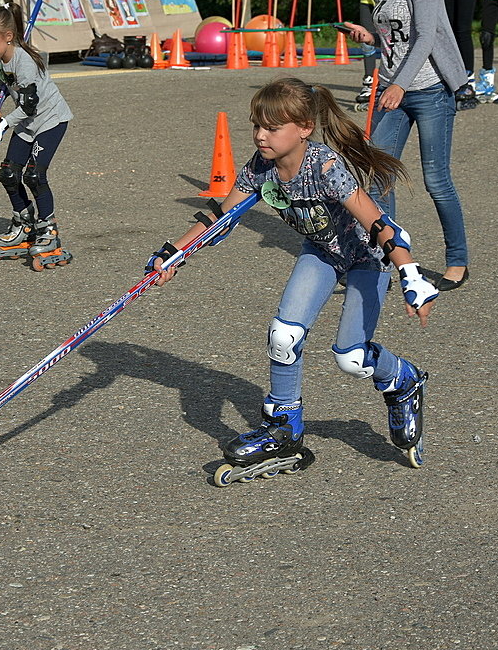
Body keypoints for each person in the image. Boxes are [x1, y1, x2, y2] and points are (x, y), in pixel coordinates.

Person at [148, 77, 439, 480]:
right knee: (283, 335)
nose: (260, 136)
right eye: (256, 125)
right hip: (321, 254)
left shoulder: (325, 166)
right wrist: (172, 256)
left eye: (271, 127)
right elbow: (221, 217)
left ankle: (402, 381)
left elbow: (376, 223)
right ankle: (284, 428)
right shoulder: (260, 167)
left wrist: (410, 274)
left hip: (364, 259)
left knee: (351, 358)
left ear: (303, 129)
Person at [342, 0, 471, 292]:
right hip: (395, 90)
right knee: (379, 173)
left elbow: (425, 38)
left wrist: (399, 84)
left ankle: (457, 260)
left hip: (429, 90)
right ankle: (392, 254)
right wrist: (368, 39)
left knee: (436, 179)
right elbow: (392, 40)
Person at [0, 3, 74, 270]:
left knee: (34, 175)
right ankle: (23, 222)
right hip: (27, 124)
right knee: (8, 173)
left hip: (49, 121)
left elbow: (29, 105)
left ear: (8, 37)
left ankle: (48, 230)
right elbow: (1, 85)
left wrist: (4, 124)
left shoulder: (26, 62)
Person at [353, 0, 388, 108]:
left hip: (384, 0)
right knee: (366, 42)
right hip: (366, 0)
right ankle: (368, 81)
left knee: (387, 39)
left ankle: (386, 81)